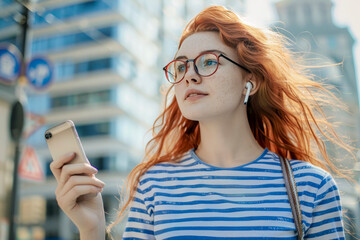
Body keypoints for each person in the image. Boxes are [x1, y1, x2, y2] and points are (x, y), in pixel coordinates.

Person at [50, 5, 353, 240]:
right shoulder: (154, 186)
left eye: (209, 61)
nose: (190, 75)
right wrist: (91, 229)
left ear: (252, 80)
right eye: (180, 67)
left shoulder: (312, 187)